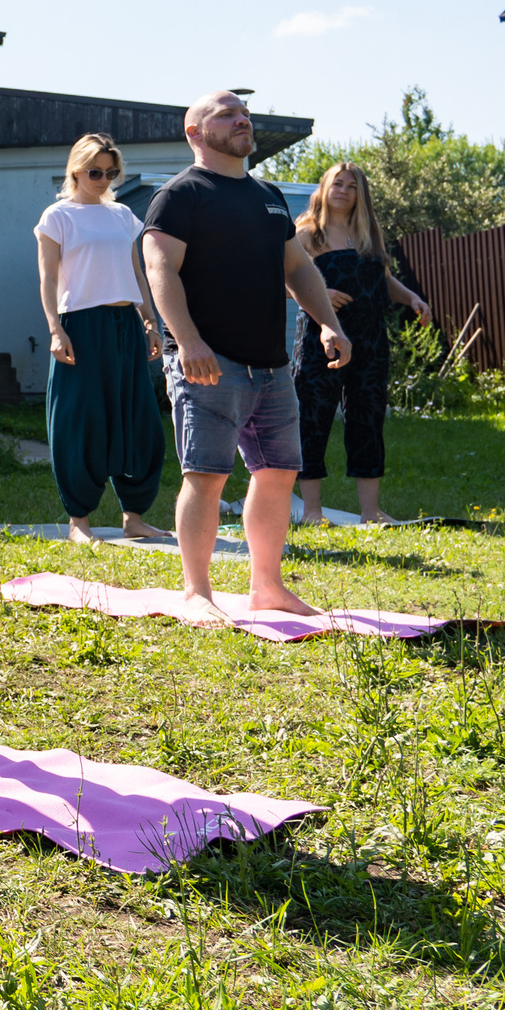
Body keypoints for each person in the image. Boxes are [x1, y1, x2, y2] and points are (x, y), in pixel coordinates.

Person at [141, 91, 352, 625]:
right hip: (208, 362)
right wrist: (187, 341)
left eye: (245, 114)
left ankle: (267, 587)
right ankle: (197, 591)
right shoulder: (180, 195)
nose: (242, 120)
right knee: (206, 475)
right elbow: (159, 268)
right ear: (194, 132)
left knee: (278, 471)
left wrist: (329, 322)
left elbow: (298, 269)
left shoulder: (269, 196)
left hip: (272, 365)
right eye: (226, 114)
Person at [35, 134, 169, 544]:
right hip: (81, 325)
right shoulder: (58, 216)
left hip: (125, 325)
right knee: (81, 420)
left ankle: (134, 517)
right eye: (95, 171)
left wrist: (150, 321)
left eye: (111, 172)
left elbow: (136, 273)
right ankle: (79, 522)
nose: (103, 179)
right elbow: (48, 278)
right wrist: (55, 329)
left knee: (139, 419)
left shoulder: (122, 215)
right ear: (76, 169)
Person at [293, 162, 428, 525]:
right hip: (322, 339)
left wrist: (411, 298)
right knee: (313, 419)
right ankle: (311, 511)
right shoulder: (307, 234)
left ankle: (371, 512)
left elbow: (383, 280)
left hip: (370, 340)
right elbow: (286, 281)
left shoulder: (369, 234)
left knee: (368, 420)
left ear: (361, 194)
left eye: (352, 186)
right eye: (337, 184)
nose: (344, 191)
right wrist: (321, 293)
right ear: (324, 188)